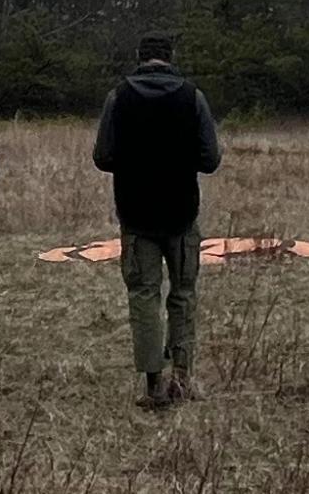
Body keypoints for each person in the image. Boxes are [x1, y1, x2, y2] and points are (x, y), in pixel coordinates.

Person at [92, 33, 223, 408]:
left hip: (135, 214)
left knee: (144, 296)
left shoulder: (118, 97)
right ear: (170, 58)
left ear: (139, 58)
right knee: (182, 296)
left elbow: (103, 156)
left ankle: (153, 385)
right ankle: (181, 379)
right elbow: (210, 160)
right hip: (182, 214)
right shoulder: (192, 96)